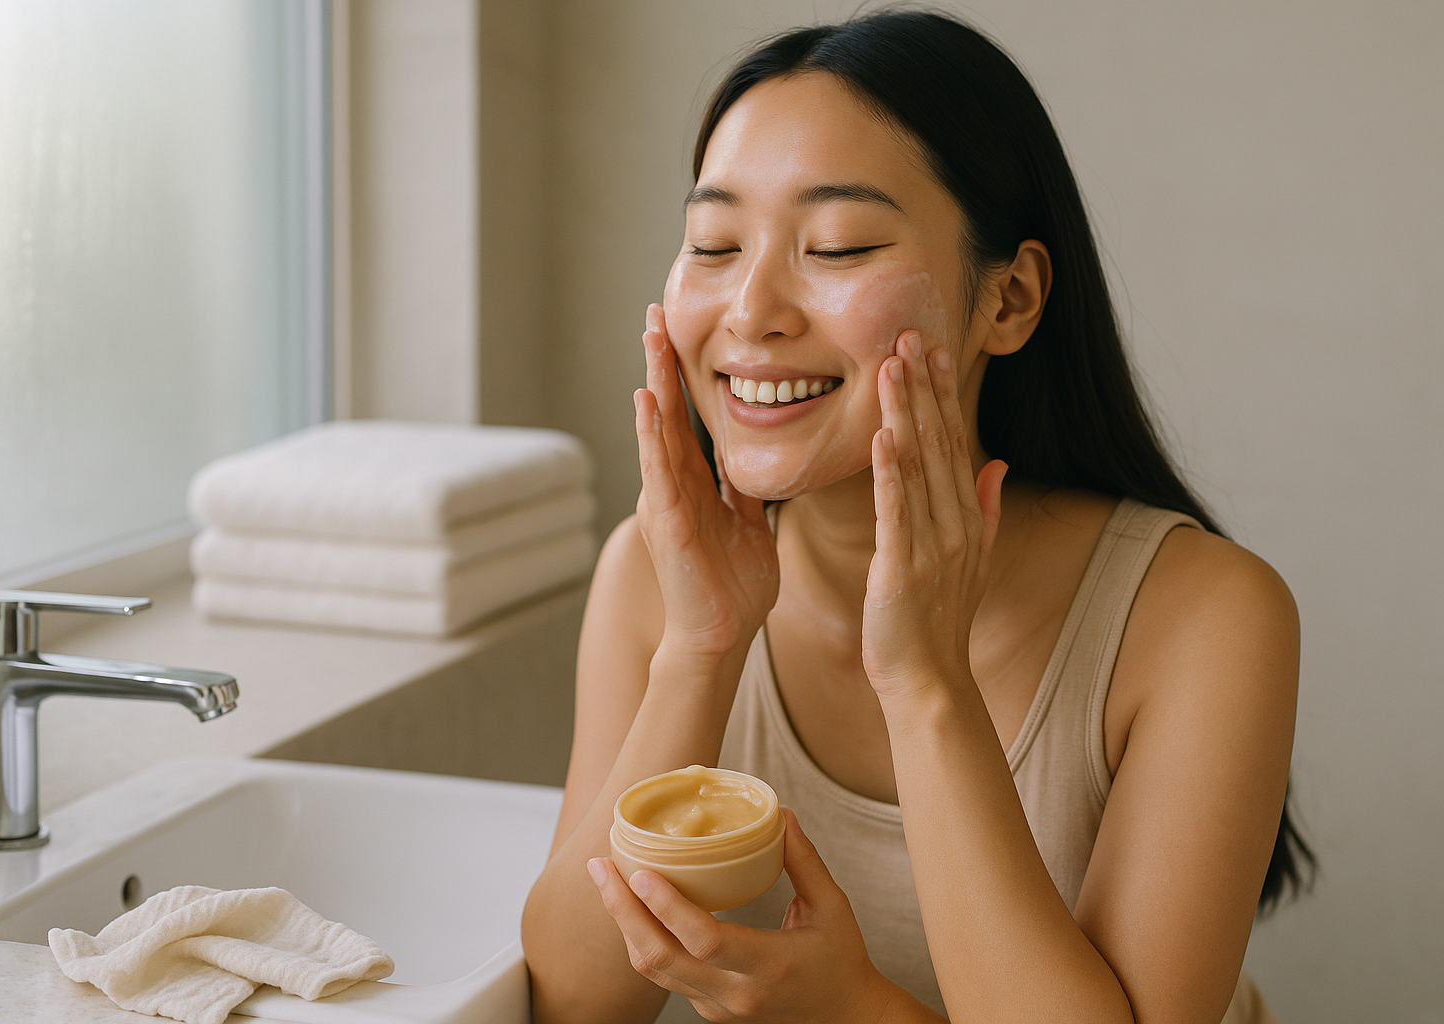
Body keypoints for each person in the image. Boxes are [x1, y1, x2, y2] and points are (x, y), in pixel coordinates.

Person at [521, 10, 1310, 1023]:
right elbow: (574, 1007)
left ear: (1010, 299)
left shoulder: (1204, 616)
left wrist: (928, 684)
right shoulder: (655, 574)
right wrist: (701, 646)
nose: (750, 309)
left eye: (837, 245)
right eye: (712, 243)